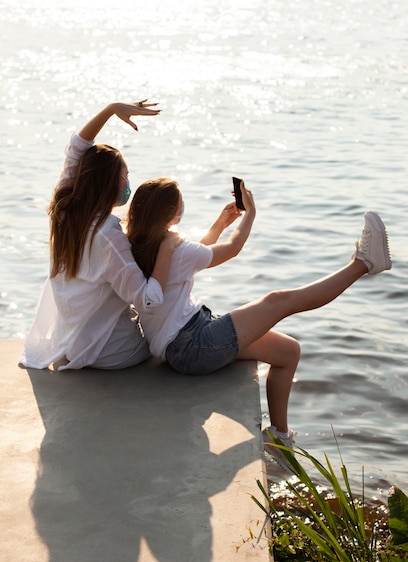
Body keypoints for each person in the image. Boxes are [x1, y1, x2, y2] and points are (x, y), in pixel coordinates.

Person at [125, 177, 392, 469]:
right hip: (192, 344)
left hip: (188, 339)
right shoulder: (173, 247)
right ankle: (364, 263)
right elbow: (233, 247)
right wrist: (250, 213)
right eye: (180, 205)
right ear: (171, 215)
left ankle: (279, 437)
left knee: (287, 351)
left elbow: (194, 255)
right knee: (278, 300)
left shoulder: (142, 245)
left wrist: (220, 222)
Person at [19, 100, 181, 371]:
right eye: (125, 176)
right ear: (110, 183)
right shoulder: (108, 234)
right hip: (114, 351)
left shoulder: (64, 211)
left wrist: (111, 109)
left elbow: (76, 148)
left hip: (71, 344)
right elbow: (148, 300)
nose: (128, 183)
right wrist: (167, 245)